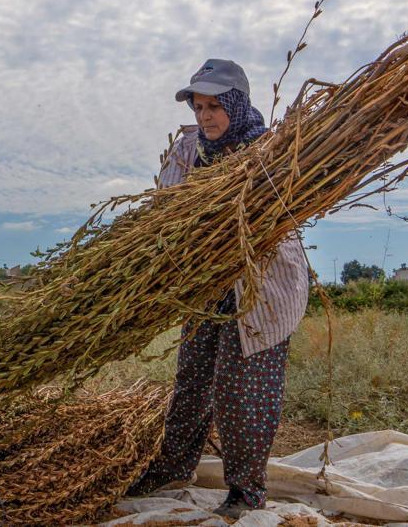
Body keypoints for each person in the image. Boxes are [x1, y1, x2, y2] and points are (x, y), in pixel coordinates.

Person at [129, 59, 310, 519]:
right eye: (199, 105)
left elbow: (281, 213)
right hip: (207, 285)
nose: (205, 115)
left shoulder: (271, 151)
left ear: (237, 103)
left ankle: (247, 489)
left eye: (214, 106)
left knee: (240, 390)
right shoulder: (189, 150)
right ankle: (173, 468)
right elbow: (165, 210)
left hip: (262, 286)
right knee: (191, 379)